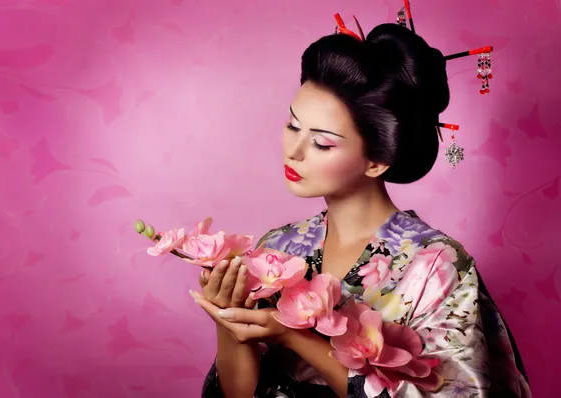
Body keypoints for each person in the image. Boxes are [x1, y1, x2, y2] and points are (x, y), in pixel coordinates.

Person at [189, 22, 531, 398]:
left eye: (321, 142)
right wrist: (227, 319)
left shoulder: (436, 263)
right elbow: (240, 392)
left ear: (377, 161)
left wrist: (293, 336)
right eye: (292, 125)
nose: (294, 150)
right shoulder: (280, 247)